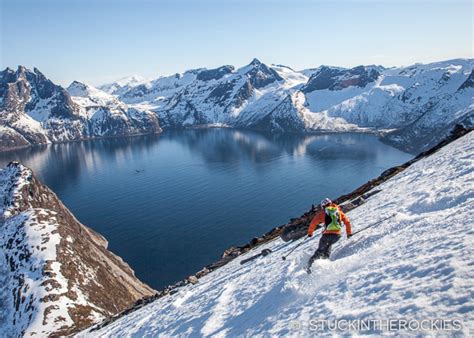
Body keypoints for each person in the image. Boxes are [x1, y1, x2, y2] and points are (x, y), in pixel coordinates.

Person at [305, 198, 352, 272]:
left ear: (323, 206)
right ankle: (325, 264)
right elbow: (347, 222)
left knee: (320, 250)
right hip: (337, 236)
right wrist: (349, 233)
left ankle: (308, 266)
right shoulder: (338, 211)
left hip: (326, 235)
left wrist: (310, 233)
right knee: (328, 246)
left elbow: (313, 223)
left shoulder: (322, 213)